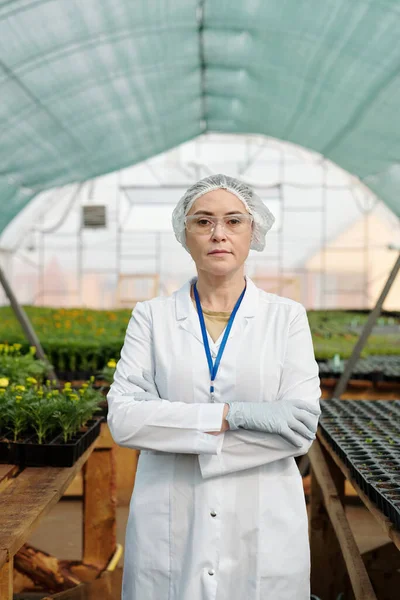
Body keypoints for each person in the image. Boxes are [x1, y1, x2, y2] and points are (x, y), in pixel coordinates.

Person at [107, 174, 321, 600]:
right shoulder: (151, 317)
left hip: (262, 520)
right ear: (184, 234)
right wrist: (232, 415)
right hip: (170, 519)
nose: (218, 234)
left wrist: (175, 429)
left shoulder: (287, 318)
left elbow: (299, 430)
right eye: (202, 222)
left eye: (234, 221)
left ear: (254, 230)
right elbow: (126, 421)